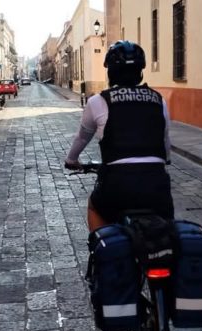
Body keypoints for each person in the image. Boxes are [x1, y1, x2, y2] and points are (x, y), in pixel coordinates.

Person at [65, 41, 174, 232]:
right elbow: (165, 138)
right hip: (156, 184)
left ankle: (99, 245)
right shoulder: (159, 100)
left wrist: (71, 160)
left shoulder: (98, 101)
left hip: (117, 184)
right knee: (166, 227)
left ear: (111, 72)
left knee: (94, 207)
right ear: (140, 72)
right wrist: (167, 158)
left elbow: (82, 138)